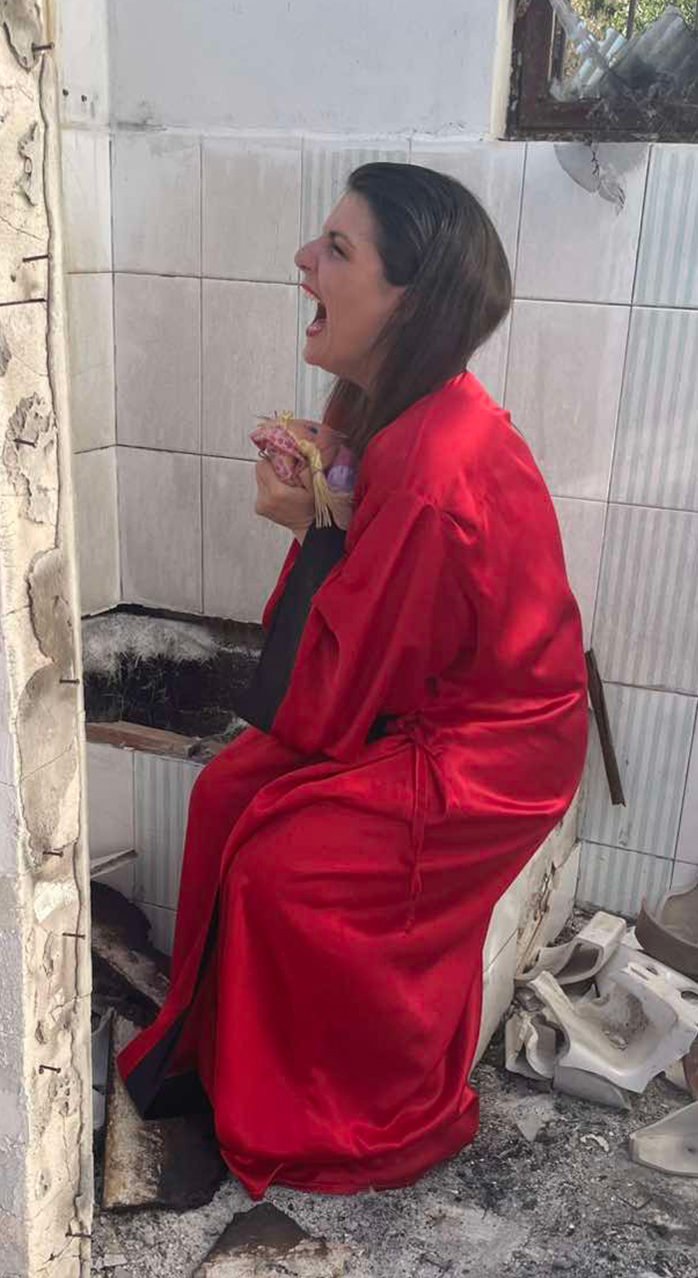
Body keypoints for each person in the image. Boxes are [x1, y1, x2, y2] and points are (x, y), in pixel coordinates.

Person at [118, 163, 587, 1199]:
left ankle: (348, 1120)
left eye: (336, 248)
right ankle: (210, 1058)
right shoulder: (402, 407)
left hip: (490, 752)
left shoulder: (430, 463)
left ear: (407, 301)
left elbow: (340, 690)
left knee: (283, 872)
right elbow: (374, 634)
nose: (303, 261)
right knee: (225, 791)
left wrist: (311, 525)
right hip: (434, 704)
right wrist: (330, 501)